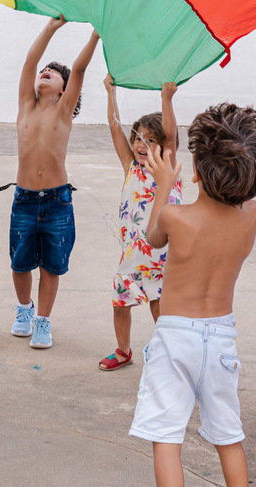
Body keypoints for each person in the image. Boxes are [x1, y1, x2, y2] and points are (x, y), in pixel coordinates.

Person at [129, 104, 256, 487]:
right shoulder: (252, 215)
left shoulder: (175, 217)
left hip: (175, 336)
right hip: (221, 337)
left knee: (166, 437)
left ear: (196, 172)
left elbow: (153, 238)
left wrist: (164, 185)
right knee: (228, 435)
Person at [8, 16, 100, 349]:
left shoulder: (63, 111)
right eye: (44, 71)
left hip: (57, 201)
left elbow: (79, 69)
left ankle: (43, 321)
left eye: (54, 72)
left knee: (52, 265)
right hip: (24, 200)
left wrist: (96, 35)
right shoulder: (25, 106)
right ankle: (24, 309)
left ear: (64, 89)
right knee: (19, 263)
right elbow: (30, 62)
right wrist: (51, 27)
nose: (45, 71)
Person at [98, 76, 180, 372]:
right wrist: (111, 93)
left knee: (159, 307)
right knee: (120, 304)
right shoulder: (130, 165)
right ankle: (123, 350)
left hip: (161, 257)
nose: (141, 145)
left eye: (150, 140)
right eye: (138, 139)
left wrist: (166, 100)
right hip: (132, 256)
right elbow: (114, 126)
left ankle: (170, 355)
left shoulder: (166, 166)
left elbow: (170, 135)